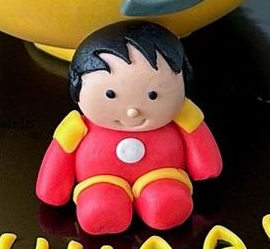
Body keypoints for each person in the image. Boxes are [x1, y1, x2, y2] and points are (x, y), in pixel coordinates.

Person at [36, 20, 222, 235]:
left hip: (161, 174)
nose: (132, 112)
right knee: (100, 205)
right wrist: (52, 191)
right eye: (110, 94)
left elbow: (203, 153)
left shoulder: (183, 114)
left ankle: (164, 198)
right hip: (101, 179)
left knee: (166, 201)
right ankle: (103, 203)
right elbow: (59, 159)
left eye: (153, 95)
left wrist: (205, 168)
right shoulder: (76, 126)